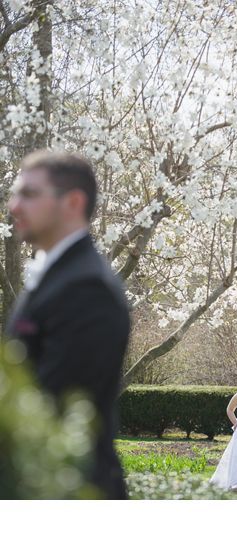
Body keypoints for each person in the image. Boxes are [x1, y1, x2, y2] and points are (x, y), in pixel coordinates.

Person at [5, 151, 131, 499]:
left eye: (29, 194)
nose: (14, 206)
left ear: (73, 202)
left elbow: (53, 406)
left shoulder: (88, 289)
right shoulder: (53, 276)